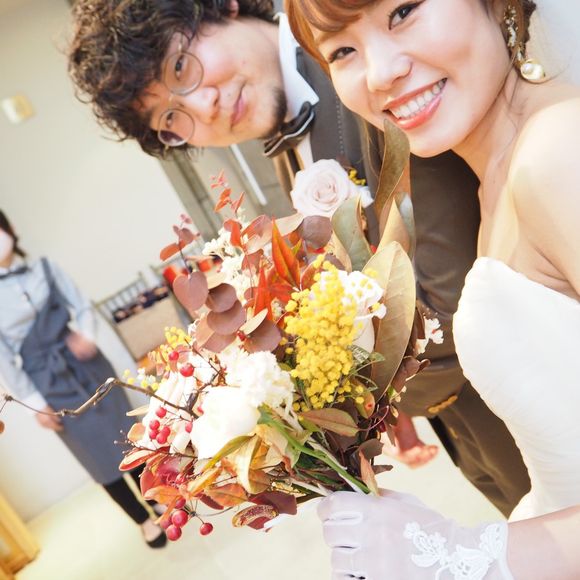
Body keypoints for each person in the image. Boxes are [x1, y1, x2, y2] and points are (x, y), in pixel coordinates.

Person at [68, 0, 531, 518]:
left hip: (522, 383)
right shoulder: (285, 150)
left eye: (181, 66)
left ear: (225, 7)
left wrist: (345, 408)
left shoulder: (368, 74)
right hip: (467, 429)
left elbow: (454, 297)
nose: (204, 106)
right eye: (172, 118)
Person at [286, 0, 580, 575]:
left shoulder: (557, 156)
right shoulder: (498, 176)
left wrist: (459, 552)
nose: (379, 74)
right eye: (342, 50)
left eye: (403, 11)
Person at [0, 211, 166, 549]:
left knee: (127, 435)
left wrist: (87, 336)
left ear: (10, 229)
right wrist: (35, 404)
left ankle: (156, 496)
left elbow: (82, 305)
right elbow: (3, 359)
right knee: (98, 457)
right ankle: (142, 520)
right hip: (47, 382)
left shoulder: (45, 268)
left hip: (86, 363)